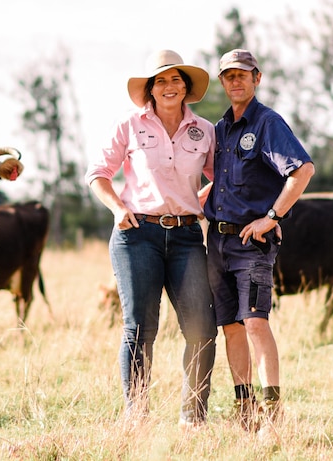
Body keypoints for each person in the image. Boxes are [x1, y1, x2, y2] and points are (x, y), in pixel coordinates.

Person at [85, 50, 217, 427]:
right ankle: (137, 416)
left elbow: (220, 177)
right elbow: (98, 173)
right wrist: (116, 208)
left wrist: (197, 200)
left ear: (186, 87)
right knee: (141, 327)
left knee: (202, 328)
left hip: (187, 237)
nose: (169, 86)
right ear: (150, 89)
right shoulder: (129, 124)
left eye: (176, 79)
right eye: (161, 80)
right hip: (136, 235)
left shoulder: (204, 131)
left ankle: (193, 418)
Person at [203, 49, 315, 432]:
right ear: (222, 82)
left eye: (243, 75)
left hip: (250, 245)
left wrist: (272, 217)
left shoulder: (267, 123)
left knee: (254, 323)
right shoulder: (219, 130)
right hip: (216, 243)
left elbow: (302, 170)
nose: (236, 81)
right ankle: (245, 408)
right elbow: (223, 181)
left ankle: (273, 411)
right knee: (231, 327)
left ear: (257, 78)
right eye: (229, 76)